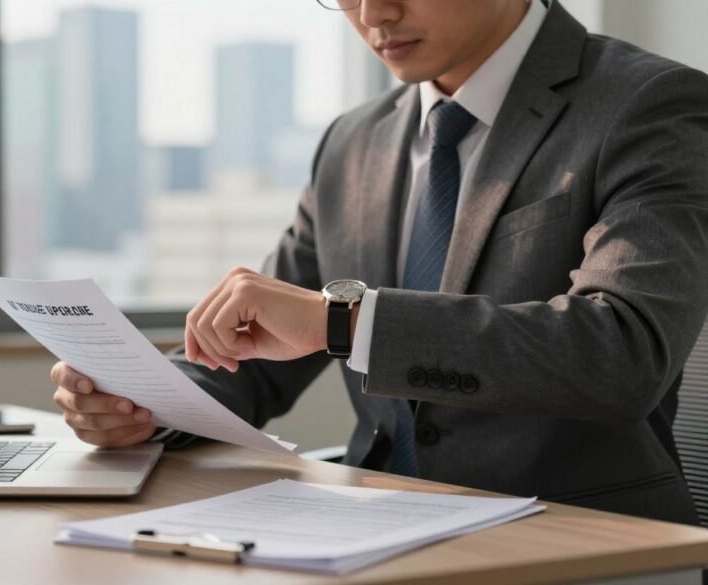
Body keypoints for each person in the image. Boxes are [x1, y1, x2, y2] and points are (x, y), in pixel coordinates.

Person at [50, 0, 708, 524]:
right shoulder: (352, 143)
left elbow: (623, 351)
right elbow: (249, 357)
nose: (372, 13)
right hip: (373, 534)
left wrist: (344, 322)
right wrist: (142, 403)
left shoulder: (648, 104)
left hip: (579, 540)